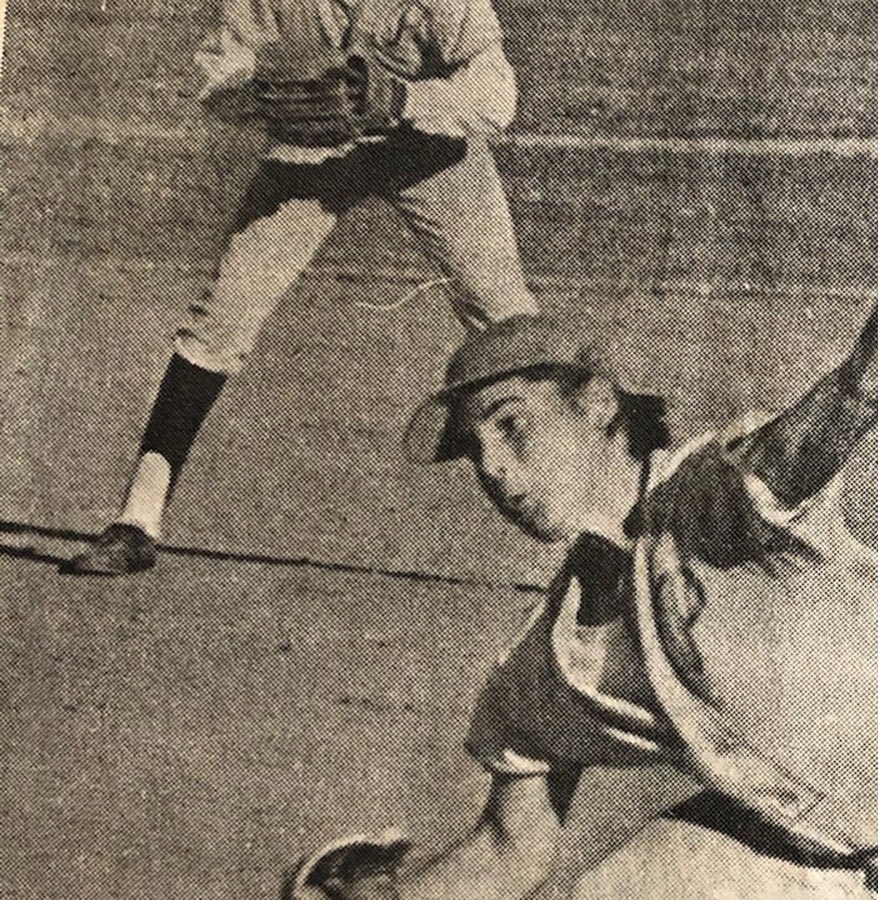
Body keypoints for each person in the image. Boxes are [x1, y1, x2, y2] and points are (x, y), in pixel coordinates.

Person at [285, 47, 878, 900]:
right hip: (825, 864)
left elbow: (872, 377)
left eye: (512, 428)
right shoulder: (561, 662)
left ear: (595, 403)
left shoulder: (719, 497)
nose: (495, 469)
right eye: (475, 452)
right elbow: (511, 849)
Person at [63, 0, 538, 575]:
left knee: (509, 325)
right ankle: (138, 517)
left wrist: (405, 99)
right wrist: (264, 87)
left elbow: (497, 92)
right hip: (313, 152)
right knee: (224, 317)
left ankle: (594, 525)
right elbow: (215, 72)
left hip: (428, 151)